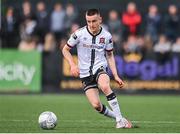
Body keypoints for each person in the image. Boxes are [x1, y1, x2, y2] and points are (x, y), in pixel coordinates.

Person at [62, 9, 132, 128]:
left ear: (100, 20)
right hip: (85, 73)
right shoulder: (79, 34)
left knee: (104, 86)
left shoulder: (107, 36)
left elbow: (110, 55)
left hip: (99, 67)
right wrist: (72, 65)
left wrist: (115, 75)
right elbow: (65, 49)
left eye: (94, 21)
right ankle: (120, 118)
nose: (91, 24)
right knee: (96, 105)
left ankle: (119, 121)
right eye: (88, 21)